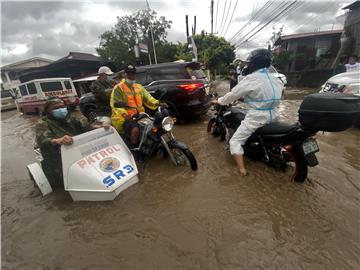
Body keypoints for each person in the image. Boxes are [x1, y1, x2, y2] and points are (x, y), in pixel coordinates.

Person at [212, 49, 284, 176]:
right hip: (274, 114)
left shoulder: (251, 79)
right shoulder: (276, 78)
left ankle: (242, 171)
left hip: (258, 117)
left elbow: (232, 95)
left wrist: (219, 101)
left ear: (253, 63)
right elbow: (267, 95)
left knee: (235, 142)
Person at [35, 97, 110, 188]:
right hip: (58, 156)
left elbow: (87, 127)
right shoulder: (42, 123)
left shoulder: (71, 118)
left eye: (62, 107)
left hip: (78, 151)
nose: (60, 110)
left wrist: (100, 127)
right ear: (48, 111)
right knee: (61, 185)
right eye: (56, 108)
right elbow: (43, 140)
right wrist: (58, 140)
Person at [110, 65, 160, 148]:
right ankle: (135, 150)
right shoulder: (118, 88)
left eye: (133, 74)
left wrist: (158, 103)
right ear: (124, 74)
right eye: (129, 74)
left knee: (154, 125)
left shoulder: (139, 87)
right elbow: (115, 104)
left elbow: (148, 98)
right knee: (135, 130)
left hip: (140, 115)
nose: (131, 76)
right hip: (125, 118)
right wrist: (124, 114)